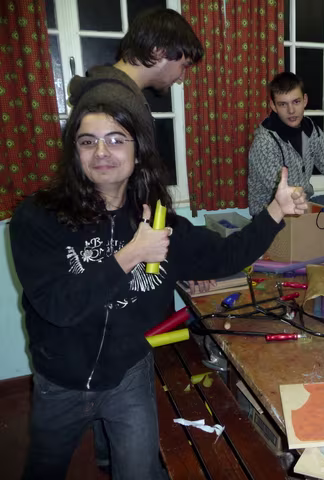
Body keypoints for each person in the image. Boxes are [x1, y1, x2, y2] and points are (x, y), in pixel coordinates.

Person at [10, 79, 307, 480]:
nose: (101, 152)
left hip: (129, 377)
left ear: (137, 153)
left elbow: (224, 256)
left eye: (116, 140)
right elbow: (58, 306)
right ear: (74, 153)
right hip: (60, 382)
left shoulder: (157, 219)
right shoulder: (38, 218)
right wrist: (133, 254)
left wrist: (275, 211)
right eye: (87, 141)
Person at [73, 8, 205, 469]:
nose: (183, 76)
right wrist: (179, 263)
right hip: (123, 265)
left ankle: (110, 456)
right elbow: (147, 199)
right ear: (158, 52)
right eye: (182, 64)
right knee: (126, 367)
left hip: (116, 260)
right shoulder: (119, 101)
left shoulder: (106, 90)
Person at [247, 72, 324, 261]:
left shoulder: (310, 129)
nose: (291, 110)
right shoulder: (265, 143)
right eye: (283, 104)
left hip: (305, 207)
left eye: (296, 102)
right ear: (273, 106)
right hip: (276, 221)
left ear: (305, 100)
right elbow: (286, 201)